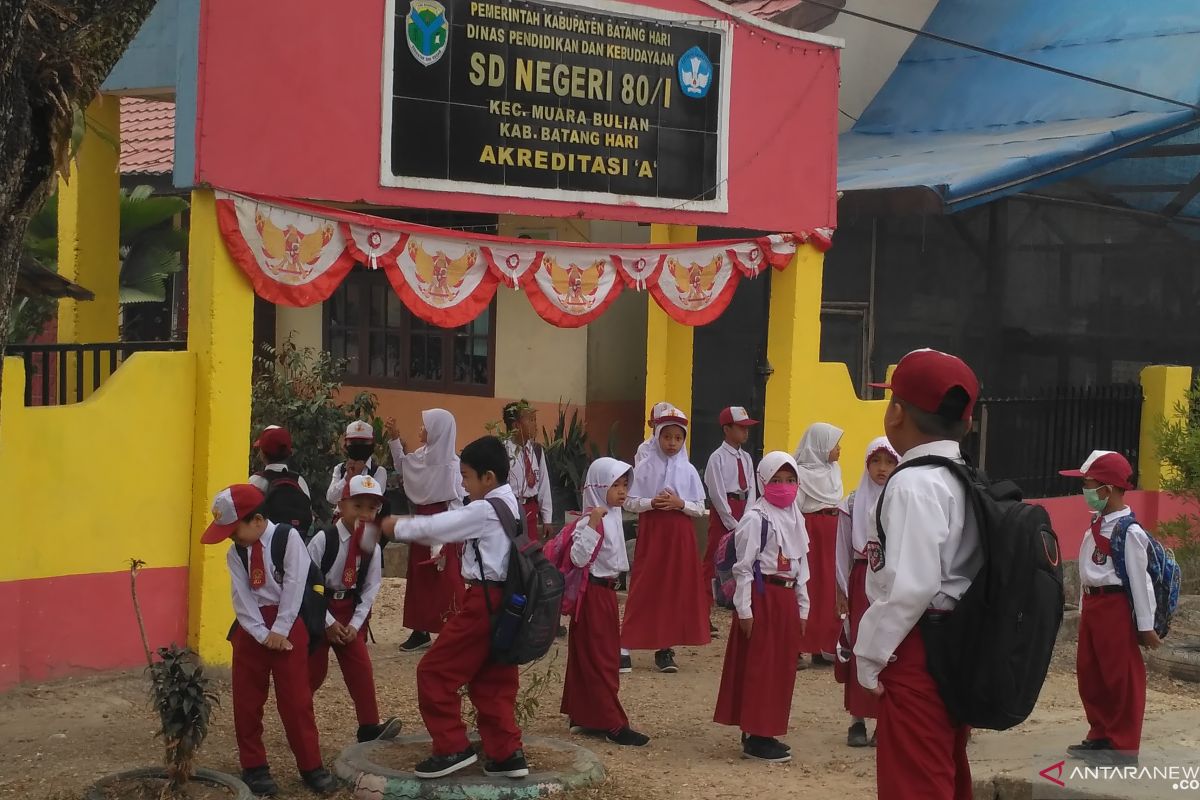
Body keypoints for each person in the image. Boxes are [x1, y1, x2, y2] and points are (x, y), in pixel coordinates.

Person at [854, 348, 982, 800]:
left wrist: (869, 655)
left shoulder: (911, 483)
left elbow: (912, 586)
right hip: (958, 642)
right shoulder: (965, 475)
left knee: (914, 780)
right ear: (965, 423)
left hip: (918, 647)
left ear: (895, 414)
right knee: (945, 768)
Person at [375, 436, 529, 780]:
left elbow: (436, 528)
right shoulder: (512, 505)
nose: (463, 483)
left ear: (487, 478)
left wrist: (395, 525)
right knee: (493, 680)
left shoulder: (486, 509)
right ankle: (507, 754)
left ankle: (452, 748)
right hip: (510, 604)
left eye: (467, 476)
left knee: (435, 671)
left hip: (483, 601)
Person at [200, 484, 338, 797]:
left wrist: (281, 628)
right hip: (252, 630)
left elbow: (295, 582)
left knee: (296, 701)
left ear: (258, 520)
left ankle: (310, 765)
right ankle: (254, 765)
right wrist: (262, 633)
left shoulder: (287, 538)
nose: (232, 539)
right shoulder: (236, 551)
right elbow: (242, 597)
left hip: (288, 625)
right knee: (247, 701)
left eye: (235, 531)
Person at [1059, 450, 1161, 766]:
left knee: (1121, 676)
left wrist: (1146, 626)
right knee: (1091, 673)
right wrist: (1082, 605)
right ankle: (1100, 733)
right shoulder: (1097, 525)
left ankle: (1124, 746)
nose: (1085, 491)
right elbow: (1088, 571)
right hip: (1094, 605)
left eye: (1089, 484)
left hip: (1115, 607)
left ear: (1108, 487)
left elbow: (1139, 580)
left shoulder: (1128, 532)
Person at [714, 451, 810, 763]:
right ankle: (757, 735)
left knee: (780, 668)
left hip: (785, 600)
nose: (784, 486)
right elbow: (743, 568)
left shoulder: (796, 518)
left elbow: (800, 568)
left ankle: (765, 728)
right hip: (762, 597)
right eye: (777, 480)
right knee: (761, 668)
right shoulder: (756, 519)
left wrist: (803, 607)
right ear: (763, 481)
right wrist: (744, 610)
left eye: (790, 480)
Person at [560, 458, 651, 747]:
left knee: (595, 654)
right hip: (594, 593)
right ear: (599, 485)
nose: (622, 490)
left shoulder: (612, 514)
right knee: (601, 657)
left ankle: (586, 715)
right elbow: (578, 558)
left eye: (625, 484)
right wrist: (592, 524)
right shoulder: (592, 518)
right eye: (615, 485)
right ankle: (612, 722)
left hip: (606, 592)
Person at [307, 474, 402, 744]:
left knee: (360, 667)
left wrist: (355, 623)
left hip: (349, 608)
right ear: (342, 504)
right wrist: (327, 622)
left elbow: (371, 585)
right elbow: (305, 580)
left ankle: (369, 725)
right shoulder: (324, 540)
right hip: (320, 606)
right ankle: (301, 719)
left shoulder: (370, 541)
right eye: (357, 505)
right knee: (313, 670)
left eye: (372, 508)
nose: (364, 513)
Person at [621, 405, 711, 673]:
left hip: (680, 534)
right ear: (658, 436)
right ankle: (624, 646)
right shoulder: (644, 467)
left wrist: (679, 503)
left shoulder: (689, 470)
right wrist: (653, 502)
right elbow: (629, 501)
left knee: (673, 588)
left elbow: (699, 507)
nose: (672, 443)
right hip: (653, 531)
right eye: (667, 437)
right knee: (645, 584)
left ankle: (665, 650)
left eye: (678, 438)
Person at [835, 436, 899, 747]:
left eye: (889, 462)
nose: (882, 468)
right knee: (861, 644)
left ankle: (884, 719)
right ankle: (857, 718)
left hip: (892, 582)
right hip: (861, 578)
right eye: (876, 461)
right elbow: (842, 550)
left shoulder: (902, 502)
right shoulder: (851, 502)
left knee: (887, 646)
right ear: (867, 464)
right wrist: (840, 588)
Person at [387, 409, 467, 653]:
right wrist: (394, 439)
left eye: (426, 426)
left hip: (443, 523)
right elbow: (402, 466)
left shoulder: (453, 466)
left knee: (446, 577)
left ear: (438, 430)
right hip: (422, 521)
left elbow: (457, 499)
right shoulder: (420, 457)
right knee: (420, 577)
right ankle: (420, 630)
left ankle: (453, 629)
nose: (421, 430)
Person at [794, 422, 844, 667]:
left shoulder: (835, 471)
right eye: (834, 444)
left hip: (834, 530)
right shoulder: (801, 474)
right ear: (821, 445)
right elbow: (797, 506)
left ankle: (823, 646)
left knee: (830, 589)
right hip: (812, 531)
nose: (838, 449)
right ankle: (800, 646)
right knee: (810, 586)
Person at [703, 407, 759, 623]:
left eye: (747, 428)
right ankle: (704, 611)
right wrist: (731, 522)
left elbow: (752, 487)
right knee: (713, 557)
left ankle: (738, 600)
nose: (746, 433)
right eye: (741, 428)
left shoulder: (746, 457)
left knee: (745, 556)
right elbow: (716, 492)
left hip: (744, 507)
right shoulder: (716, 458)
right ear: (727, 429)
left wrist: (749, 515)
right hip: (725, 510)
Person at [502, 400, 554, 540]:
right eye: (530, 420)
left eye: (535, 420)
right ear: (516, 425)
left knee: (530, 554)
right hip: (510, 510)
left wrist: (547, 518)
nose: (535, 425)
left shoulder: (536, 450)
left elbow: (544, 484)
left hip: (531, 509)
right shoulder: (503, 451)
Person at [249, 425, 313, 535]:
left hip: (265, 546)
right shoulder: (299, 481)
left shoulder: (255, 482)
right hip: (295, 545)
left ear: (262, 454)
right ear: (289, 452)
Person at [327, 420, 388, 506]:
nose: (358, 446)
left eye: (363, 442)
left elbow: (373, 500)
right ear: (346, 444)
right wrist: (347, 478)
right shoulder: (340, 468)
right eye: (353, 442)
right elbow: (331, 498)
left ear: (372, 444)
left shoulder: (379, 471)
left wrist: (356, 476)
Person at [635, 402, 683, 466]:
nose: (664, 426)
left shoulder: (678, 446)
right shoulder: (644, 449)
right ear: (650, 423)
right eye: (659, 422)